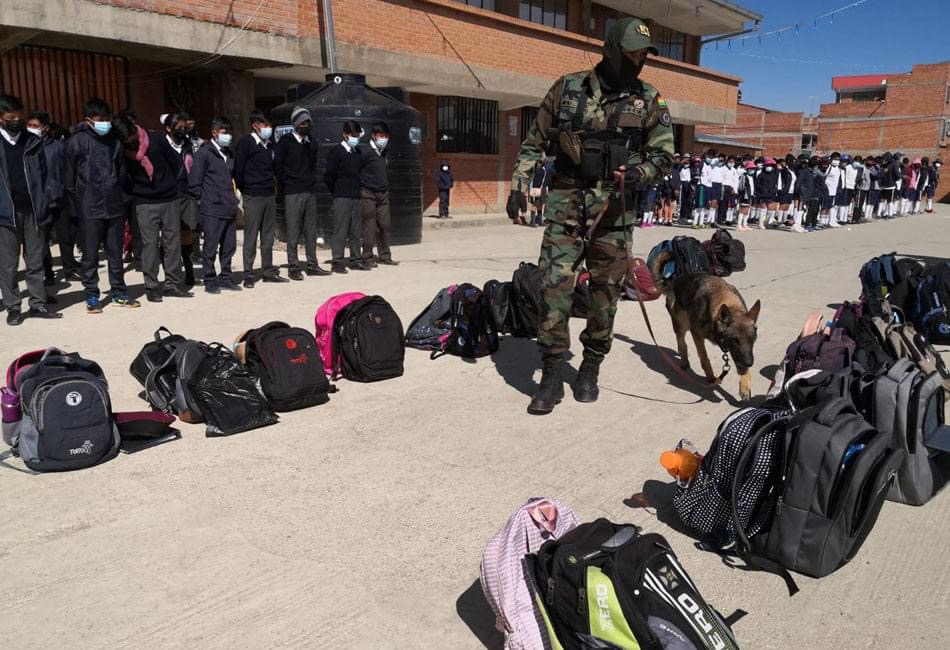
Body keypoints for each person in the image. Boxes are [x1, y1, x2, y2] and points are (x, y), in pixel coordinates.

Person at [506, 17, 673, 415]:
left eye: (643, 54)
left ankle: (590, 367)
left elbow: (663, 155)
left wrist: (638, 172)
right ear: (612, 48)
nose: (637, 61)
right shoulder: (567, 88)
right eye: (631, 52)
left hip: (614, 215)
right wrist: (519, 184)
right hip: (565, 207)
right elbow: (534, 143)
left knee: (604, 297)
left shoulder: (648, 99)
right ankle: (550, 371)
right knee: (554, 290)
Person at [65, 97, 140, 313]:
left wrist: (118, 190)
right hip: (89, 207)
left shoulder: (114, 142)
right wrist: (78, 204)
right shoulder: (76, 142)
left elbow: (122, 170)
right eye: (101, 120)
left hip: (114, 205)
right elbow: (69, 179)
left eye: (108, 119)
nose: (105, 124)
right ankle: (92, 295)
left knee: (115, 254)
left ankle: (119, 292)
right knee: (90, 256)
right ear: (89, 120)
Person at [114, 115, 191, 303]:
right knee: (150, 245)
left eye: (132, 139)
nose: (131, 143)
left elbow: (176, 163)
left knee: (172, 242)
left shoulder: (156, 139)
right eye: (127, 142)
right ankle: (152, 285)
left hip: (169, 198)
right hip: (143, 202)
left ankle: (173, 283)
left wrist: (170, 185)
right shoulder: (122, 151)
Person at [0, 95, 61, 325]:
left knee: (35, 260)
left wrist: (46, 200)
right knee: (7, 264)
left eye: (19, 116)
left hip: (34, 210)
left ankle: (37, 303)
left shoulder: (32, 141)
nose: (16, 120)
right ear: (1, 119)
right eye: (11, 117)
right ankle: (13, 306)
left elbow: (44, 174)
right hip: (6, 213)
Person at [188, 116, 242, 294]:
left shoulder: (229, 153)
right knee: (210, 246)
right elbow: (195, 182)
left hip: (229, 207)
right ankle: (209, 279)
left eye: (229, 133)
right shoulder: (204, 153)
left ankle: (226, 276)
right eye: (224, 133)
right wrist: (203, 202)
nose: (228, 136)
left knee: (229, 246)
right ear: (214, 133)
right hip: (211, 209)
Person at [275, 106, 330, 279]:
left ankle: (312, 264)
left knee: (311, 230)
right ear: (297, 124)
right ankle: (293, 266)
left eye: (309, 122)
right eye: (304, 122)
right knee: (293, 230)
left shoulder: (311, 142)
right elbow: (278, 167)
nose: (307, 125)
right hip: (293, 191)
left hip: (310, 191)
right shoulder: (285, 142)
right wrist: (288, 182)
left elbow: (313, 164)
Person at [235, 109, 286, 287]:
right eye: (265, 125)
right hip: (253, 195)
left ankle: (268, 270)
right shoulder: (246, 143)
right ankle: (248, 273)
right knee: (251, 235)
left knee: (268, 236)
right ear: (255, 125)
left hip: (269, 194)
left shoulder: (269, 145)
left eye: (269, 125)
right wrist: (247, 189)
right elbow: (238, 171)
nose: (268, 128)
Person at [28, 111, 70, 287]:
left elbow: (65, 170)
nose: (31, 129)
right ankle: (48, 272)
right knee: (42, 240)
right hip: (39, 200)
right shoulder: (28, 147)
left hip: (57, 196)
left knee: (65, 235)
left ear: (45, 127)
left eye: (35, 126)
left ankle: (69, 267)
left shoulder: (57, 146)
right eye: (29, 125)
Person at [161, 112, 199, 288]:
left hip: (185, 196)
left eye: (184, 126)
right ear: (168, 128)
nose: (182, 129)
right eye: (178, 126)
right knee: (169, 239)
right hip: (168, 197)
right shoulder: (162, 146)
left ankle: (189, 272)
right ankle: (171, 277)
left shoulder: (188, 145)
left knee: (187, 236)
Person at [324, 120, 368, 273]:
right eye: (352, 135)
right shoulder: (336, 152)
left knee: (355, 230)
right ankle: (337, 261)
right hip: (341, 196)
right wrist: (337, 192)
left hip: (355, 195)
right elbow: (329, 176)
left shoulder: (357, 152)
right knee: (340, 230)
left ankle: (356, 259)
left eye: (357, 135)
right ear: (345, 134)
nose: (355, 138)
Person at [360, 121, 398, 267]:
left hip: (383, 193)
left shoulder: (384, 151)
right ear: (374, 136)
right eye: (381, 136)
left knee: (385, 224)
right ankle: (367, 256)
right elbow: (357, 169)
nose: (384, 138)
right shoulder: (365, 151)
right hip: (368, 193)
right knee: (369, 226)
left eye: (386, 136)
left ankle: (385, 255)